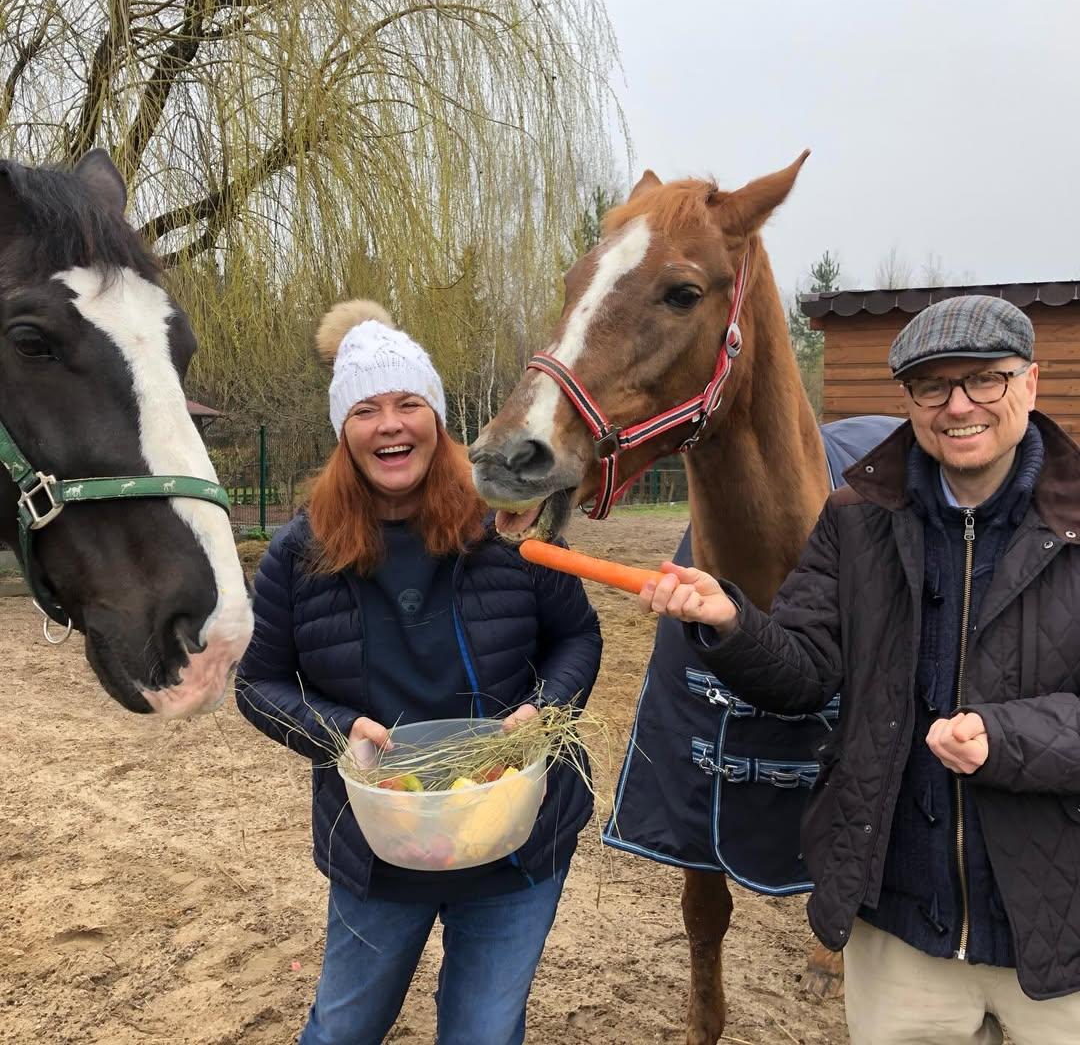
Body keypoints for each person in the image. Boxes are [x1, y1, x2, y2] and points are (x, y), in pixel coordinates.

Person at [638, 295, 1080, 1045]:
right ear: (909, 399)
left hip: (1056, 921)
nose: (958, 405)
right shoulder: (855, 520)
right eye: (932, 386)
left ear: (1030, 383)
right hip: (900, 924)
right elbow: (806, 671)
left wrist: (1007, 739)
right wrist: (731, 622)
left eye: (985, 379)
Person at [236, 300, 601, 1045]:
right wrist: (338, 732)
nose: (390, 424)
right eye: (366, 409)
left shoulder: (508, 525)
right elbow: (256, 683)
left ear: (436, 416)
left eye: (409, 403)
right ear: (344, 431)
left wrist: (547, 709)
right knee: (344, 1028)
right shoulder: (299, 552)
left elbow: (577, 635)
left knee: (484, 1032)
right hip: (383, 843)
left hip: (513, 830)